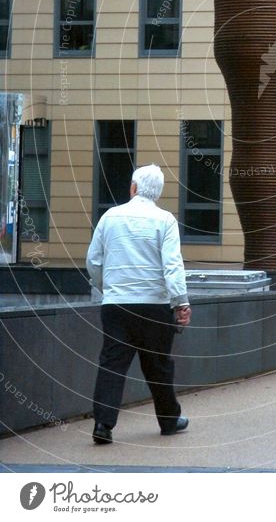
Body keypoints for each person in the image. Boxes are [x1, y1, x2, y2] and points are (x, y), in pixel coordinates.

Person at [86, 163, 191, 444]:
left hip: (117, 305)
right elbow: (172, 266)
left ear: (133, 188)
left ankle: (103, 425)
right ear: (157, 193)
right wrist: (180, 302)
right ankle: (169, 421)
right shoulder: (165, 220)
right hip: (155, 305)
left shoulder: (110, 217)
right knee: (158, 365)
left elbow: (93, 261)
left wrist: (106, 288)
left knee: (112, 364)